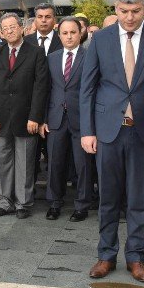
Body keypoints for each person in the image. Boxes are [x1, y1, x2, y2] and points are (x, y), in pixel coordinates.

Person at [80, 0, 144, 283]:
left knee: (138, 199)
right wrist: (87, 131)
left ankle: (136, 257)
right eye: (124, 11)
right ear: (115, 9)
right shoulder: (101, 39)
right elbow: (88, 87)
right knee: (108, 198)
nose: (130, 17)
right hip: (108, 131)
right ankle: (106, 255)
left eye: (136, 11)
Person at [0, 13, 47, 219]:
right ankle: (5, 201)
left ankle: (23, 202)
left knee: (25, 161)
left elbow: (41, 87)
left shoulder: (36, 52)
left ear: (22, 28)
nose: (10, 31)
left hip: (26, 117)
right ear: (1, 33)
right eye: (6, 28)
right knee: (2, 160)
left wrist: (35, 117)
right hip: (0, 118)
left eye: (13, 27)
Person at [43, 17, 95, 222]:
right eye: (64, 33)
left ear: (80, 32)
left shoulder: (90, 56)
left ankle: (82, 205)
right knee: (54, 162)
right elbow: (46, 89)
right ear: (59, 35)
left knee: (82, 164)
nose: (69, 36)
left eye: (73, 32)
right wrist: (44, 118)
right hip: (55, 118)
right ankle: (54, 203)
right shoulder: (52, 58)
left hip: (82, 119)